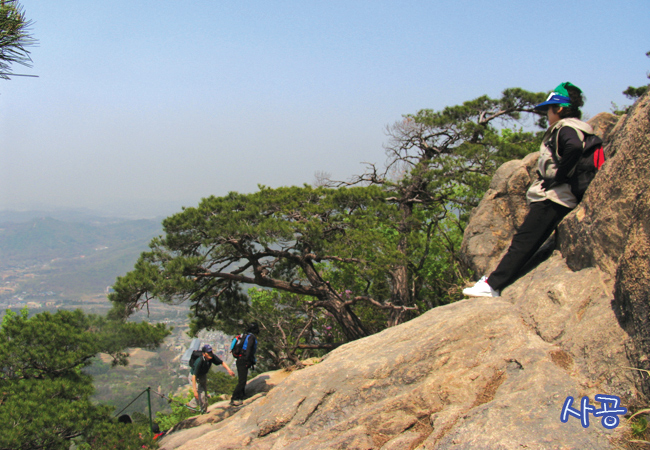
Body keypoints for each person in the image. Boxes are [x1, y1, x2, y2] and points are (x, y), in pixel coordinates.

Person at [463, 82, 594, 298]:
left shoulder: (566, 129)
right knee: (526, 240)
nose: (547, 115)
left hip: (555, 198)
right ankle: (493, 283)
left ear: (559, 108)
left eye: (549, 110)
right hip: (562, 196)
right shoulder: (579, 128)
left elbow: (574, 148)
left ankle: (492, 285)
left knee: (523, 241)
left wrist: (557, 179)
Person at [189, 344, 235, 412]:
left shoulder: (212, 357)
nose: (210, 354)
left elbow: (221, 362)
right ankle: (192, 406)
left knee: (204, 394)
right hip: (194, 377)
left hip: (203, 376)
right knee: (201, 395)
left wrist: (229, 370)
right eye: (208, 353)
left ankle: (203, 410)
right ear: (204, 354)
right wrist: (195, 391)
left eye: (211, 352)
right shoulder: (199, 361)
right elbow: (193, 376)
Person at [230, 322, 259, 406]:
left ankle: (241, 395)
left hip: (240, 359)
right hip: (243, 360)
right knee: (242, 381)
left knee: (242, 379)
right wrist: (247, 360)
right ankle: (234, 398)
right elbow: (249, 350)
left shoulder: (245, 335)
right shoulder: (251, 337)